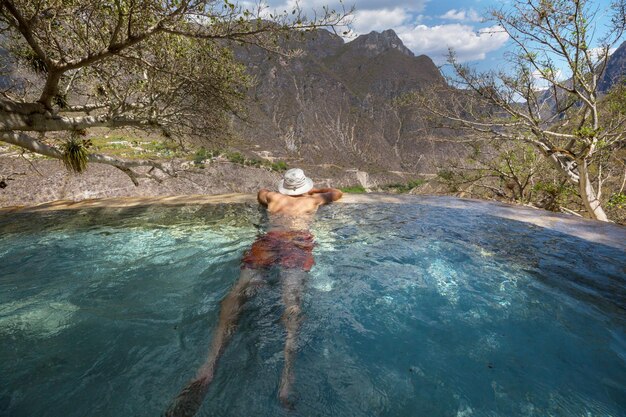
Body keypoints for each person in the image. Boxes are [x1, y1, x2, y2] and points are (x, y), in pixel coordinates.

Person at [165, 168, 342, 417]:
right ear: (304, 188)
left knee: (238, 291)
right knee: (291, 300)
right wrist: (313, 191)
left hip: (269, 241)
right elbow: (337, 193)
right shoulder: (312, 199)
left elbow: (260, 193)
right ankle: (286, 377)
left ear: (284, 187)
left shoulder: (272, 198)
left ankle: (208, 366)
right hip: (297, 242)